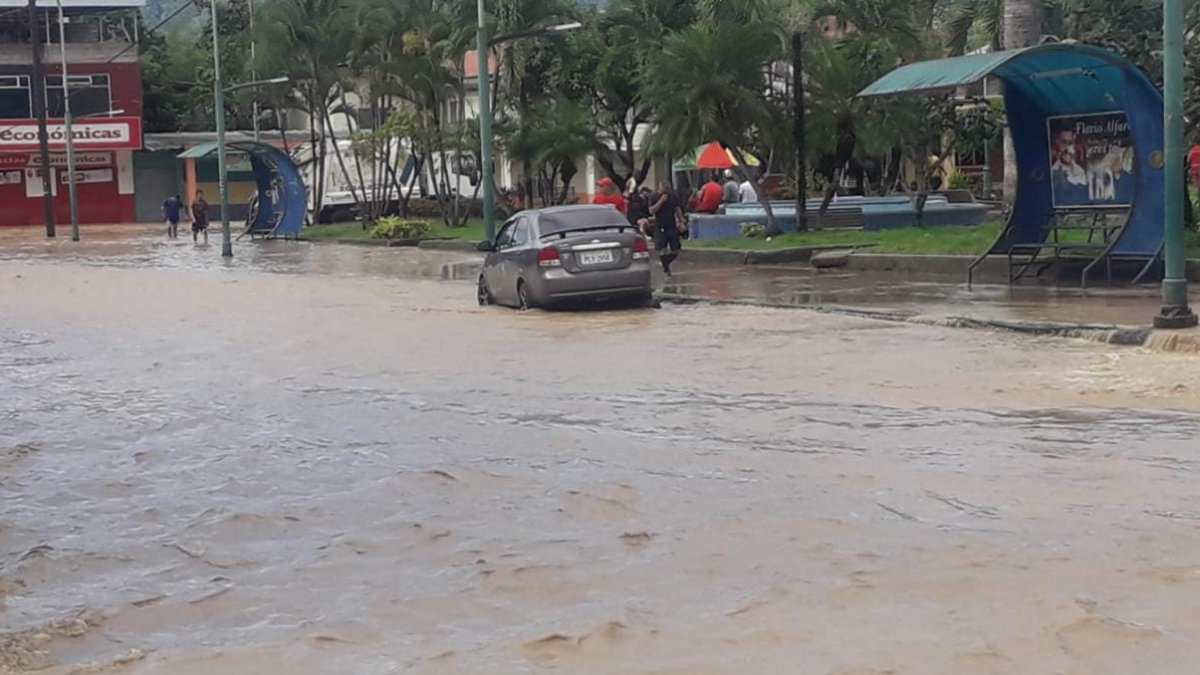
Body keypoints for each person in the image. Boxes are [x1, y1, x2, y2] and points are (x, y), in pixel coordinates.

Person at [648, 182, 683, 276]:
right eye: (664, 189)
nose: (666, 191)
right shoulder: (654, 196)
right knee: (662, 249)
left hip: (671, 225)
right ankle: (666, 269)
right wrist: (661, 201)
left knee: (675, 250)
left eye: (668, 189)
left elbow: (677, 208)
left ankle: (666, 262)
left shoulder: (673, 196)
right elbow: (651, 210)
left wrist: (681, 220)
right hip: (660, 225)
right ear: (660, 188)